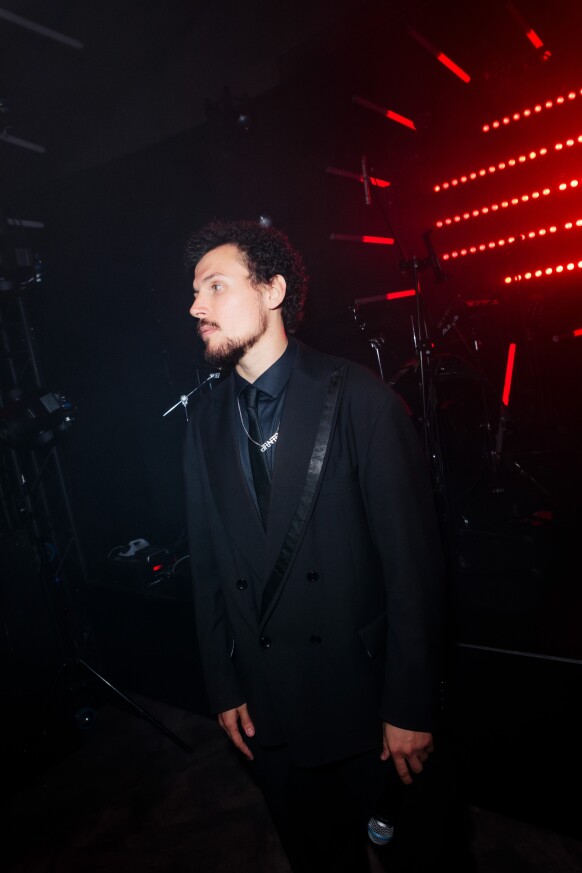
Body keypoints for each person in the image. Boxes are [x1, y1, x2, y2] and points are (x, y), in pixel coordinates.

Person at [182, 218, 448, 872]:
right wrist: (222, 684)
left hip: (362, 706)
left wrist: (410, 704)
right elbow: (208, 565)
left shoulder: (361, 400)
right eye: (194, 292)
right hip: (267, 708)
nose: (195, 307)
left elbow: (413, 572)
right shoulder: (204, 420)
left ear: (272, 290)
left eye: (216, 286)